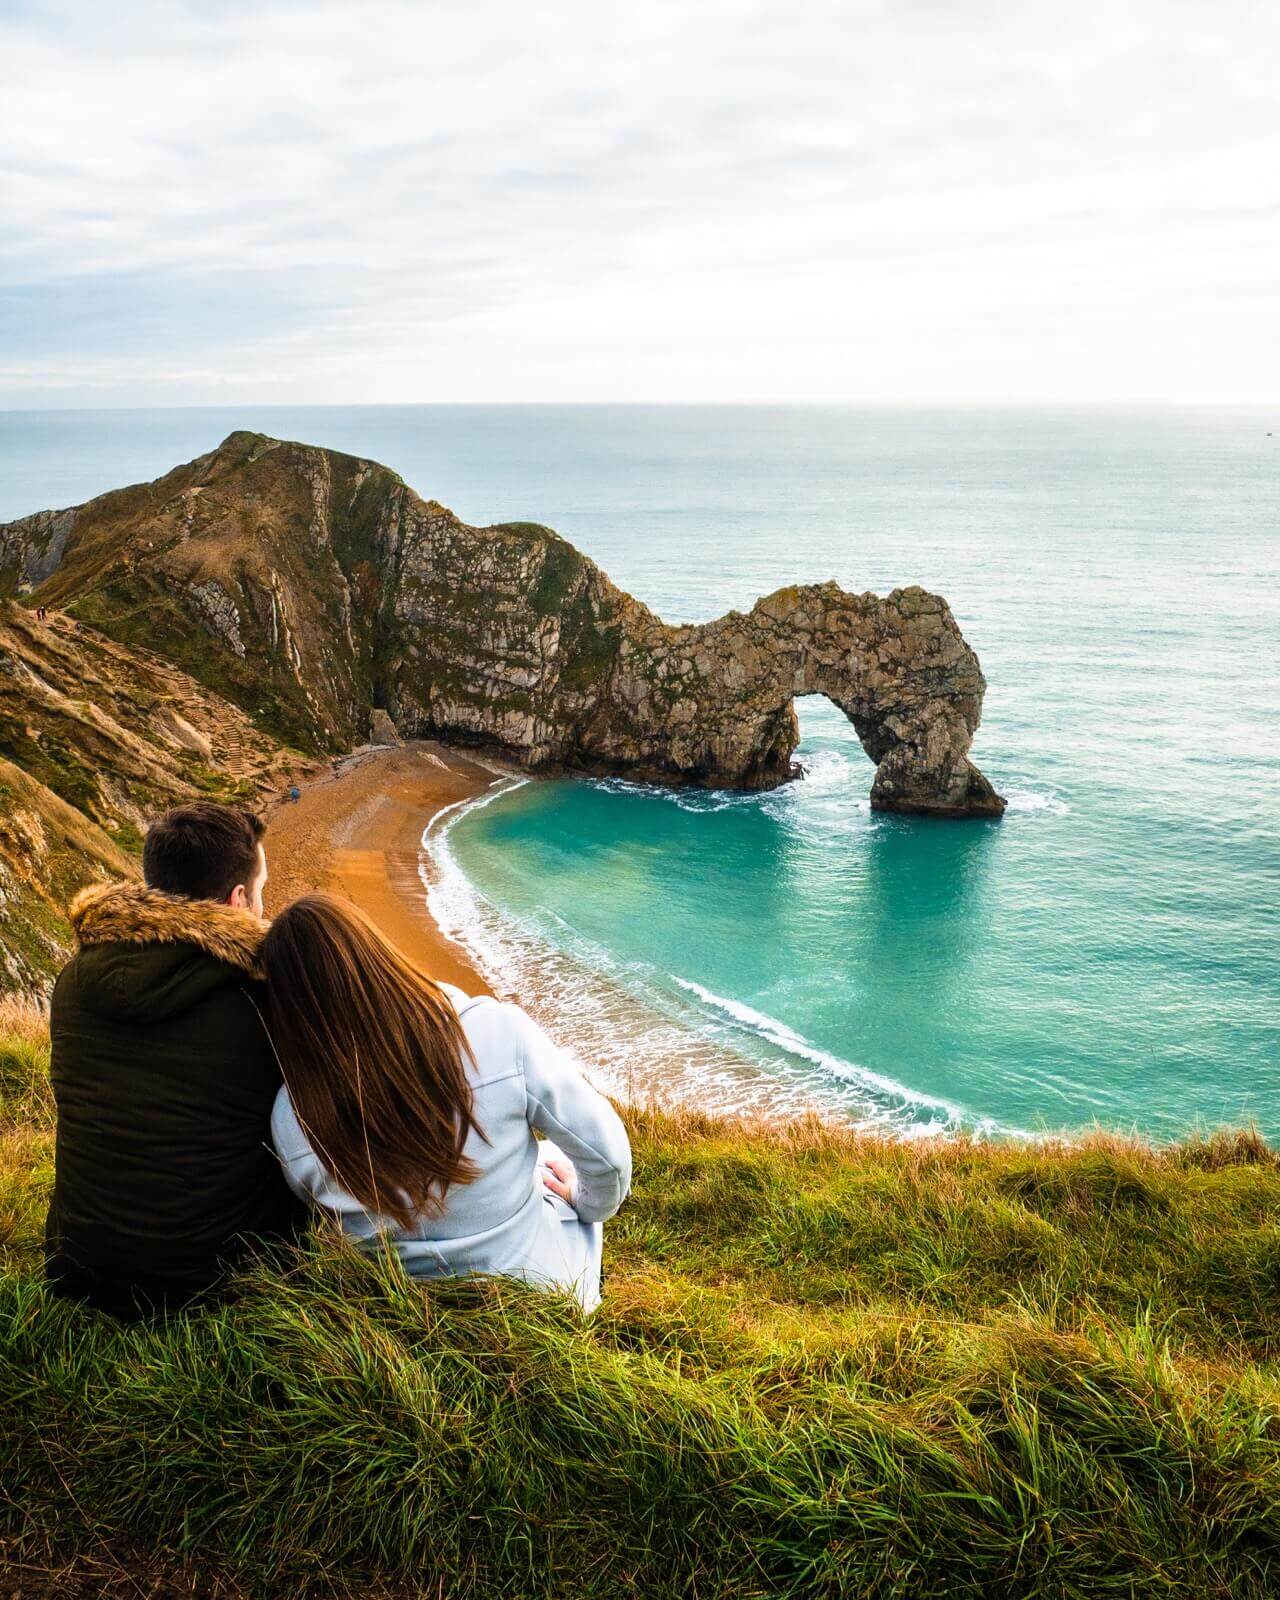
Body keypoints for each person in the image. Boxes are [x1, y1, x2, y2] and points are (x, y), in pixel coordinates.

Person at [263, 894, 631, 1312]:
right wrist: (585, 1202)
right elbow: (611, 1159)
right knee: (548, 1161)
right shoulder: (495, 1032)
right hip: (542, 1294)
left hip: (407, 1312)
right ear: (379, 956)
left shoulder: (289, 1119)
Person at [45, 803, 304, 1317]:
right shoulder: (262, 996)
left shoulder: (73, 983)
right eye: (260, 892)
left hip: (77, 1265)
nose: (263, 908)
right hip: (213, 1283)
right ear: (236, 901)